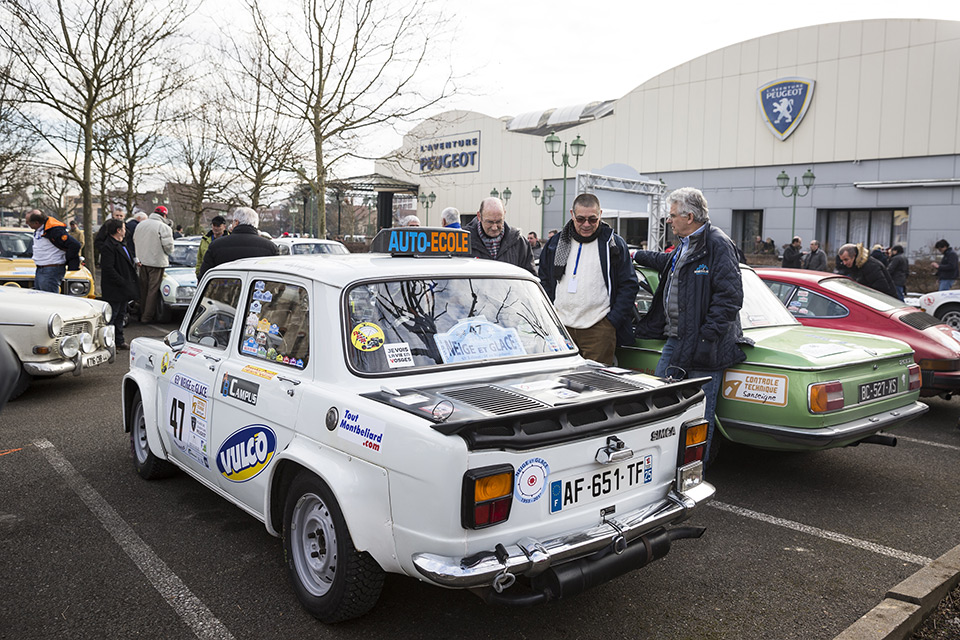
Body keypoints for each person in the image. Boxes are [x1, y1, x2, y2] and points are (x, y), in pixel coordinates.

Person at [633, 187, 747, 464]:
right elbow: (667, 262)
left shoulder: (717, 244)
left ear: (690, 216)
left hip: (705, 347)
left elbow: (730, 297)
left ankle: (693, 476)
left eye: (672, 216)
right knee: (661, 407)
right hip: (677, 341)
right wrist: (635, 254)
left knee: (697, 418)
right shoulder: (685, 244)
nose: (669, 221)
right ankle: (664, 471)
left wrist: (707, 338)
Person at [538, 193, 639, 366]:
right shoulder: (556, 242)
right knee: (560, 383)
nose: (586, 224)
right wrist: (550, 317)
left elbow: (629, 285)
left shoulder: (613, 243)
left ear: (600, 214)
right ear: (572, 214)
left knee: (595, 387)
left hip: (598, 328)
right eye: (581, 219)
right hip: (561, 328)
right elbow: (545, 280)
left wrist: (611, 321)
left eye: (592, 219)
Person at [198, 206, 278, 277]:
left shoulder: (216, 246)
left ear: (236, 222)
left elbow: (204, 275)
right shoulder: (271, 248)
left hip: (224, 291)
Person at [98, 218, 139, 349]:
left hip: (123, 287)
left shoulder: (122, 244)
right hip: (115, 288)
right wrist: (122, 281)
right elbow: (108, 268)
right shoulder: (108, 247)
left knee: (121, 314)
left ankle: (119, 340)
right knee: (112, 315)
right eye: (123, 228)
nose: (125, 231)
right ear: (118, 230)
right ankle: (108, 341)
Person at [466, 197, 534, 274]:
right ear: (479, 216)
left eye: (499, 222)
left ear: (504, 214)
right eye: (489, 222)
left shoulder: (520, 243)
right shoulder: (462, 240)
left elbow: (530, 276)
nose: (494, 227)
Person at [134, 205, 175, 323]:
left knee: (143, 289)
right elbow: (168, 247)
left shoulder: (140, 225)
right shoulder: (163, 227)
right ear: (165, 215)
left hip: (141, 261)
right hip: (157, 262)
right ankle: (147, 317)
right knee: (153, 290)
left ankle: (141, 312)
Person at [26, 210, 81, 293]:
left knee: (48, 299)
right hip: (42, 268)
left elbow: (75, 245)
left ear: (36, 223)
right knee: (40, 297)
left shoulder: (54, 231)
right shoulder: (40, 230)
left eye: (28, 222)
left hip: (51, 269)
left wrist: (67, 260)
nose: (27, 224)